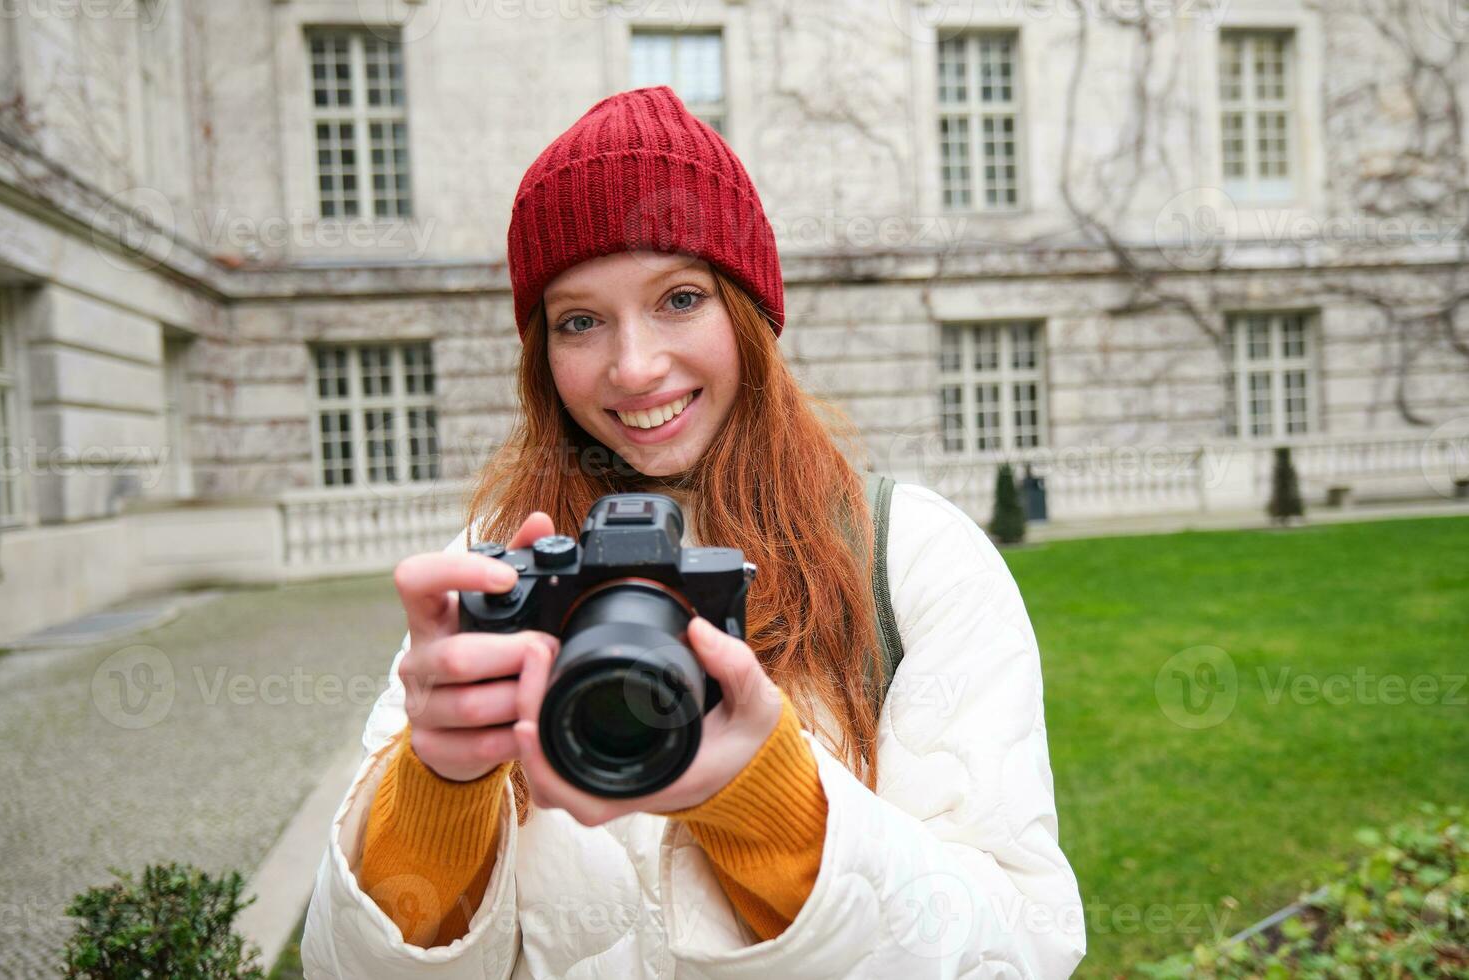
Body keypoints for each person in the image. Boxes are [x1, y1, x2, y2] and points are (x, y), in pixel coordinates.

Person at [301, 86, 1085, 979]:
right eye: (581, 321)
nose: (634, 368)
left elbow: (1021, 950)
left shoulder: (910, 557)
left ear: (749, 315)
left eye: (679, 298)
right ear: (542, 356)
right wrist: (436, 789)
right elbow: (342, 963)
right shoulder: (497, 566)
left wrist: (765, 801)